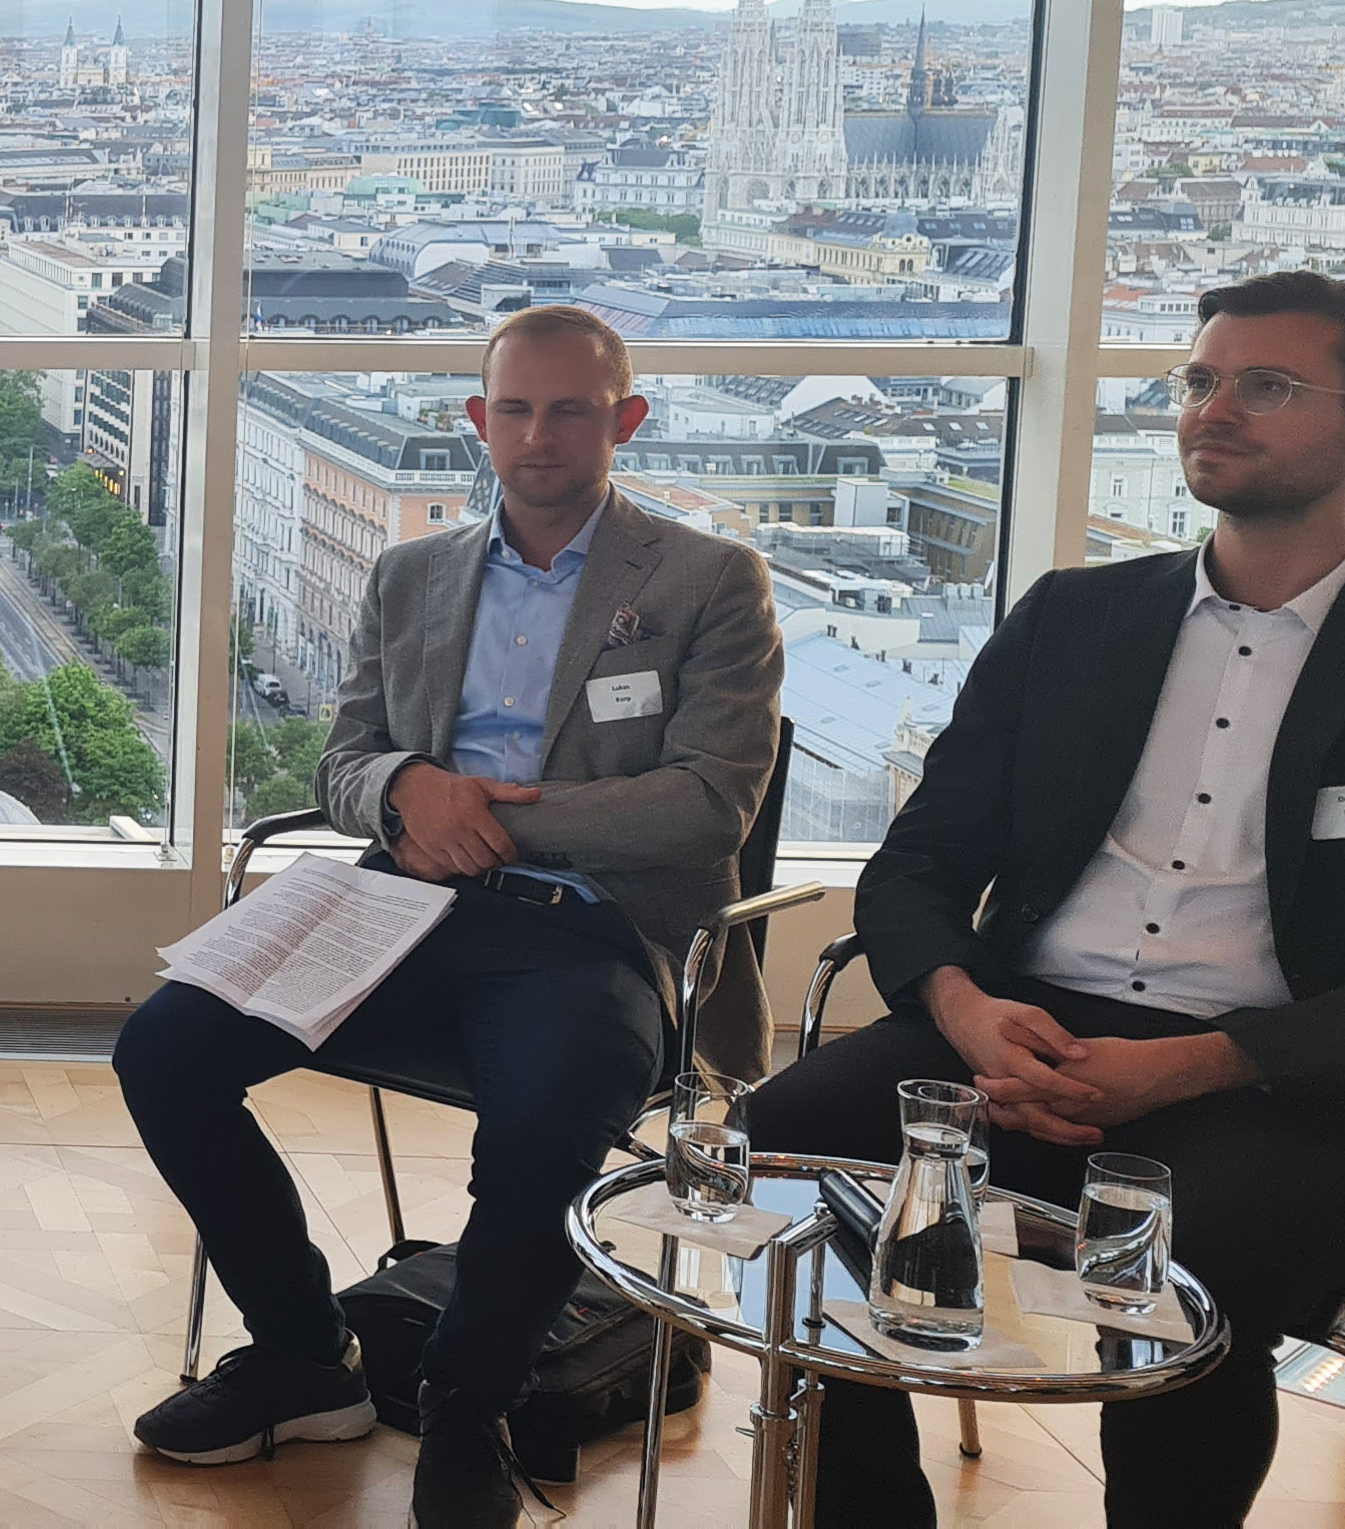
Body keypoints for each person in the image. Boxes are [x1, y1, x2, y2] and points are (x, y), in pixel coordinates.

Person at [112, 305, 781, 1528]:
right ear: (479, 420)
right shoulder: (411, 572)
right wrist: (403, 791)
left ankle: (470, 1405)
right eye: (514, 409)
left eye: (571, 410)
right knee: (163, 1049)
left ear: (625, 421)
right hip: (401, 904)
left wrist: (493, 821)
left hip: (594, 927)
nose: (539, 435)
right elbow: (344, 763)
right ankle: (306, 1355)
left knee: (546, 1115)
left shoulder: (707, 581)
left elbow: (707, 805)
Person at [749, 270, 1345, 1529]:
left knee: (1185, 1275)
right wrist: (964, 1008)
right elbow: (916, 863)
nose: (1212, 410)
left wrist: (1195, 1066)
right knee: (782, 1151)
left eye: (1267, 386)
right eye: (1200, 379)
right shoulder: (1078, 618)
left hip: (1268, 1073)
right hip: (1017, 1023)